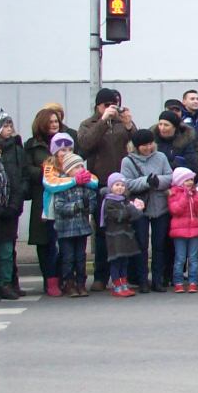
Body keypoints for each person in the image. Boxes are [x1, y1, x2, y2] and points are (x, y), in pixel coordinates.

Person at [76, 88, 134, 291]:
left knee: (125, 228)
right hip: (100, 183)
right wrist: (103, 121)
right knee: (101, 230)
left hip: (122, 183)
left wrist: (129, 125)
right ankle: (101, 275)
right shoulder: (88, 124)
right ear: (98, 106)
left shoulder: (121, 122)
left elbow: (138, 144)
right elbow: (84, 145)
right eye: (107, 105)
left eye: (114, 105)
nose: (111, 108)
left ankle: (125, 275)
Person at [44, 139, 99, 297]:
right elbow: (59, 207)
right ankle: (69, 282)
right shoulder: (62, 185)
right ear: (68, 170)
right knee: (68, 257)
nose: (80, 169)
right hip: (65, 228)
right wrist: (78, 206)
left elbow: (92, 201)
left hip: (82, 227)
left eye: (81, 166)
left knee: (81, 257)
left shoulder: (85, 184)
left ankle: (81, 283)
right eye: (76, 167)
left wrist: (88, 206)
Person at [122, 128, 173, 292]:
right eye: (144, 145)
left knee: (159, 245)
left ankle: (158, 280)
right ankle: (142, 280)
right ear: (137, 146)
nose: (148, 147)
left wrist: (157, 181)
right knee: (141, 244)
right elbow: (127, 183)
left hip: (160, 206)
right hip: (140, 207)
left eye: (150, 144)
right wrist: (145, 182)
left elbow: (170, 177)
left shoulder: (161, 157)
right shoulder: (128, 161)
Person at [24, 108, 63, 296]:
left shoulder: (64, 141)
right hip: (42, 197)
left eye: (56, 121)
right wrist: (46, 171)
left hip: (62, 195)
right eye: (50, 122)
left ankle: (63, 278)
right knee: (44, 241)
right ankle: (49, 279)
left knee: (62, 240)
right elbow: (26, 169)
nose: (54, 125)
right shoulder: (32, 145)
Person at [0, 130, 25, 300]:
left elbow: (17, 188)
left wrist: (12, 207)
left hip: (7, 218)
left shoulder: (8, 168)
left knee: (6, 254)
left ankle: (4, 284)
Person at [98, 172, 142, 298]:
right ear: (111, 186)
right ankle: (117, 285)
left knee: (124, 261)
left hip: (126, 235)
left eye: (122, 185)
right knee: (116, 261)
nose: (120, 187)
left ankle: (124, 284)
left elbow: (135, 216)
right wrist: (130, 209)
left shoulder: (125, 200)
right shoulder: (109, 202)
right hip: (114, 236)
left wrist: (137, 208)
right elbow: (118, 216)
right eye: (117, 185)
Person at [167, 166, 198, 292]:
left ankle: (193, 281)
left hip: (194, 230)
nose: (190, 182)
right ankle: (178, 282)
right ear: (179, 182)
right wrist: (185, 196)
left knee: (194, 258)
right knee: (180, 258)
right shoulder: (173, 193)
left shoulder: (194, 193)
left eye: (191, 180)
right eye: (186, 180)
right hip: (179, 231)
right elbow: (175, 210)